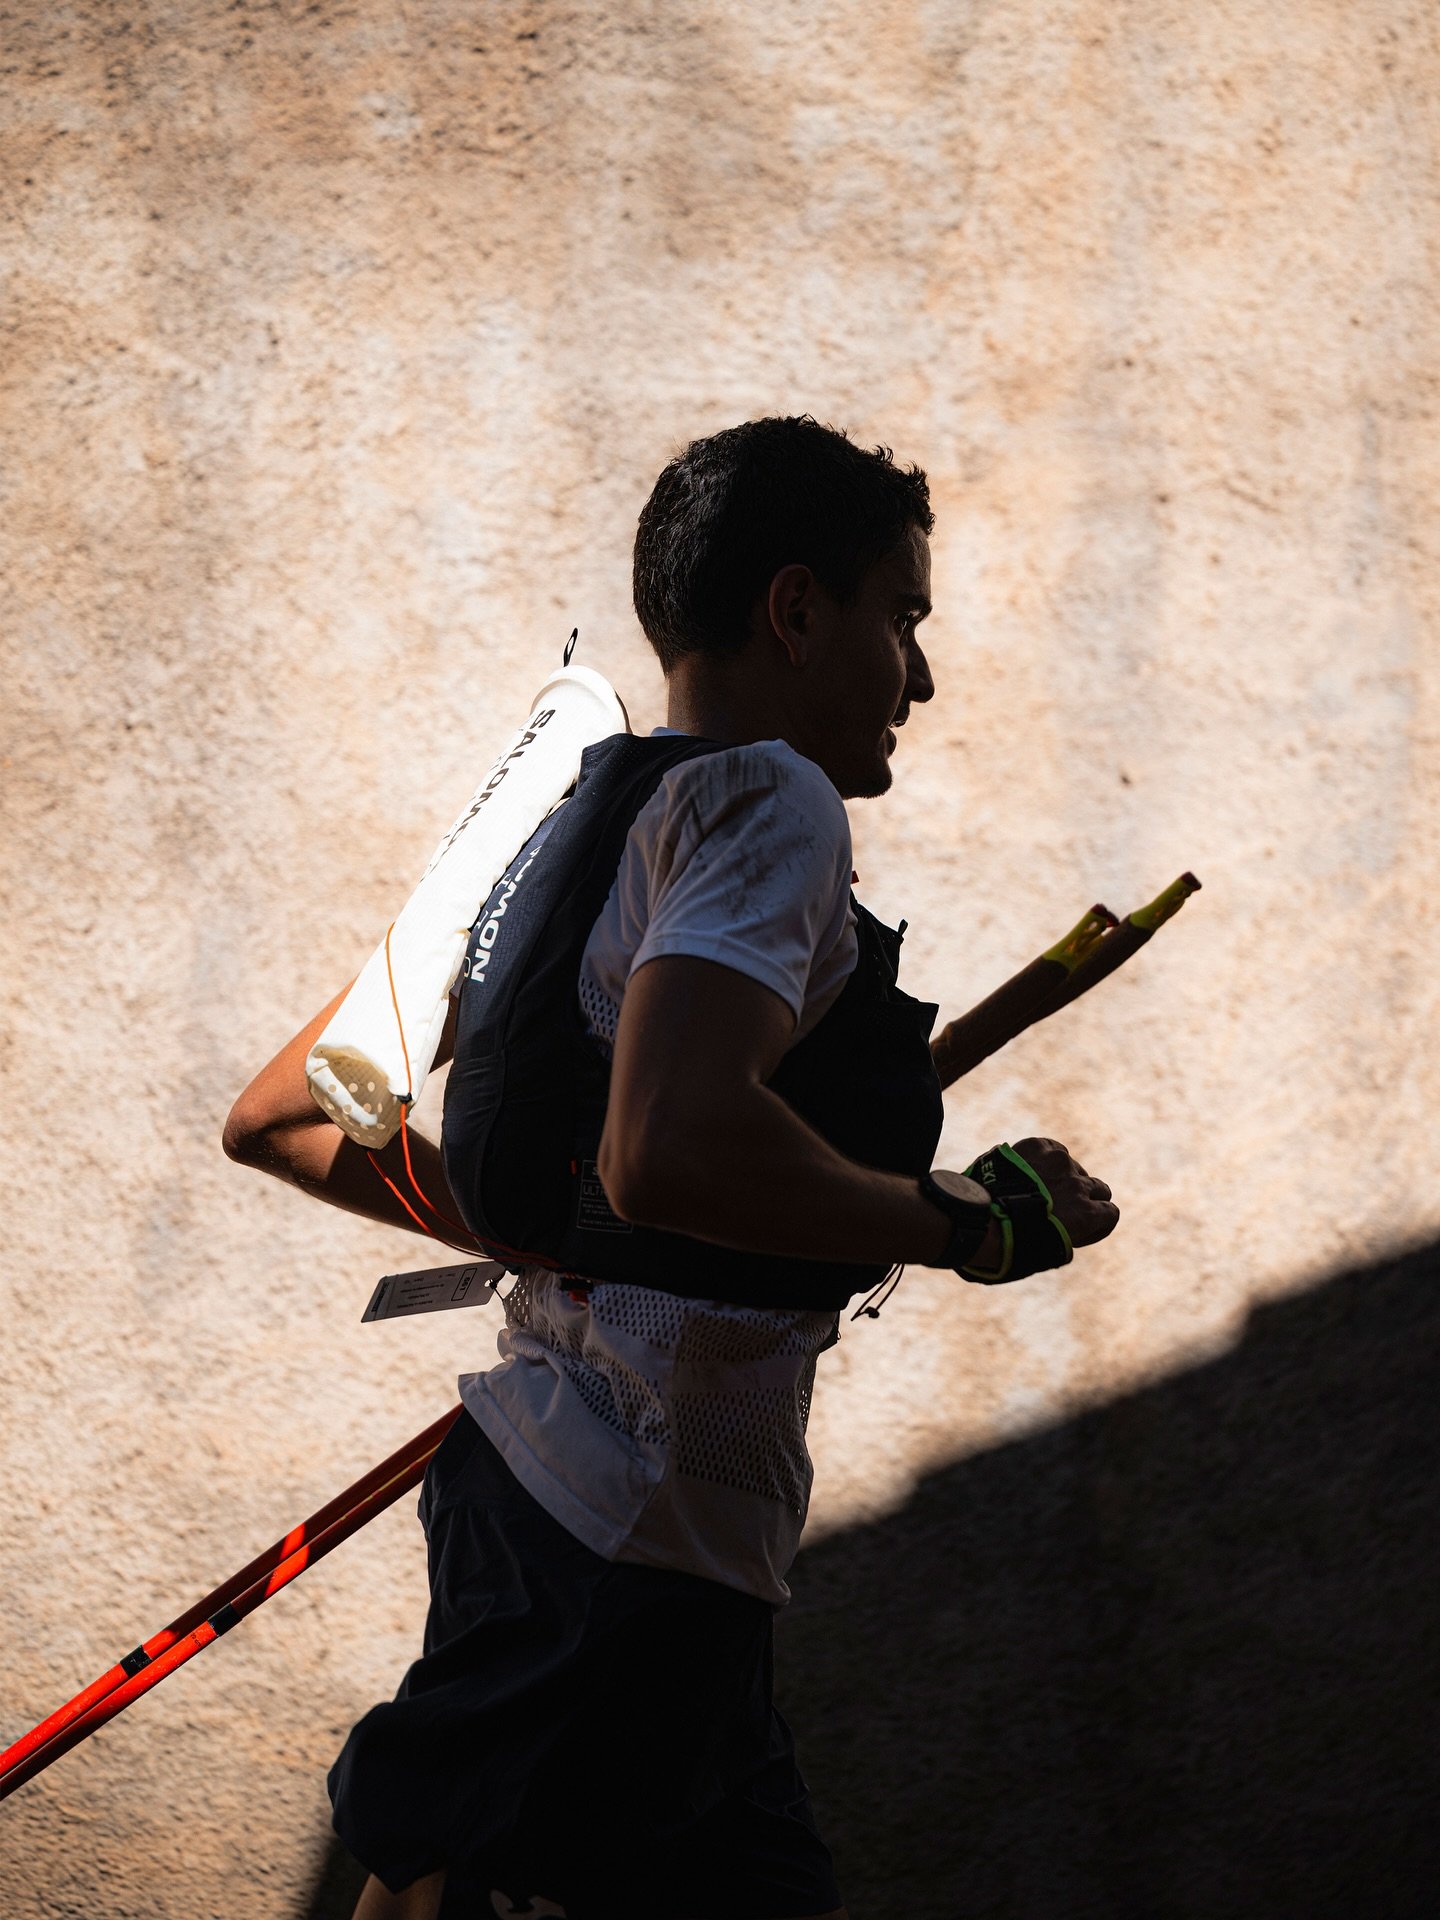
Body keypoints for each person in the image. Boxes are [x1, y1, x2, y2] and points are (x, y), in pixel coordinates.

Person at [223, 416, 1119, 1919]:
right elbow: (674, 1145)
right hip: (623, 1564)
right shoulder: (771, 802)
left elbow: (287, 1118)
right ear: (793, 610)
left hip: (566, 1524)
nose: (922, 673)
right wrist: (956, 1220)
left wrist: (570, 1230)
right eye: (900, 616)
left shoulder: (571, 821)